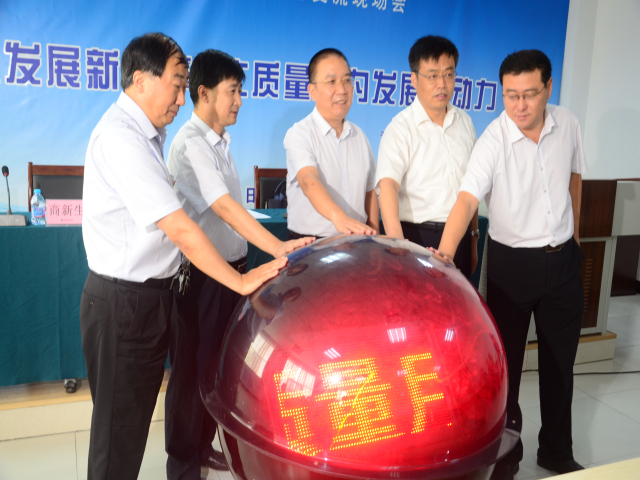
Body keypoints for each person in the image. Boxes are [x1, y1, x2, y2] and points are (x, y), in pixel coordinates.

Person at [80, 33, 286, 480]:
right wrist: (240, 281)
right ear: (141, 80)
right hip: (124, 302)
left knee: (128, 432)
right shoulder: (122, 139)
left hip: (146, 298)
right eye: (176, 86)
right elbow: (180, 227)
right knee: (117, 439)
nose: (180, 98)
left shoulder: (146, 136)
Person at [435, 50, 586, 480]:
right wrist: (444, 254)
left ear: (549, 88)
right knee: (506, 373)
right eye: (511, 95)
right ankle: (506, 459)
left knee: (560, 365)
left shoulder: (568, 124)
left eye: (530, 94)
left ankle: (556, 452)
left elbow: (575, 177)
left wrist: (574, 236)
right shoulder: (493, 139)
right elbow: (467, 199)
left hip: (562, 263)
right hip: (510, 269)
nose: (520, 105)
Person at [164, 49, 313, 479]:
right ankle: (182, 461)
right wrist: (279, 247)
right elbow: (225, 207)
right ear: (204, 93)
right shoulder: (191, 144)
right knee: (192, 369)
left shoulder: (220, 143)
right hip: (202, 276)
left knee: (216, 363)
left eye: (240, 92)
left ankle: (202, 445)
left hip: (232, 271)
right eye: (232, 92)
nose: (240, 101)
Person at [376, 35, 478, 278]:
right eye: (432, 76)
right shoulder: (400, 127)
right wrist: (397, 242)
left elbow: (473, 185)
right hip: (417, 238)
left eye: (448, 74)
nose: (442, 84)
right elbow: (388, 185)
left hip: (461, 237)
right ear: (414, 79)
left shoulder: (465, 122)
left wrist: (474, 237)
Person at [284, 48, 379, 240]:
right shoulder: (299, 134)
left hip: (356, 243)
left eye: (347, 80)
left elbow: (370, 193)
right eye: (331, 82)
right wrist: (339, 218)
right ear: (312, 91)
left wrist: (374, 237)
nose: (342, 90)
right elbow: (308, 181)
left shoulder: (360, 136)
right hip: (310, 244)